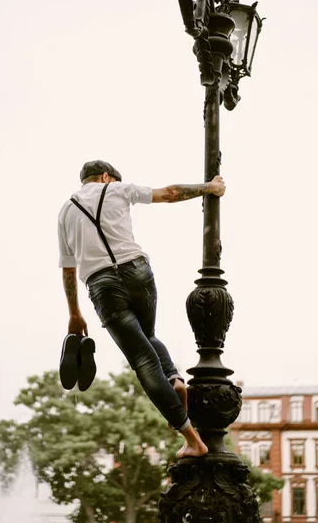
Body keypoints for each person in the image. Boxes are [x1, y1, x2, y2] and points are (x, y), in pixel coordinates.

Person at [57, 160, 226, 459]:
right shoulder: (119, 189)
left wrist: (75, 313)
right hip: (137, 271)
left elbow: (69, 270)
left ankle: (192, 440)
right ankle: (173, 379)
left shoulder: (66, 212)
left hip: (102, 285)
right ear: (107, 177)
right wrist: (209, 188)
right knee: (149, 336)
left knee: (142, 361)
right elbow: (171, 193)